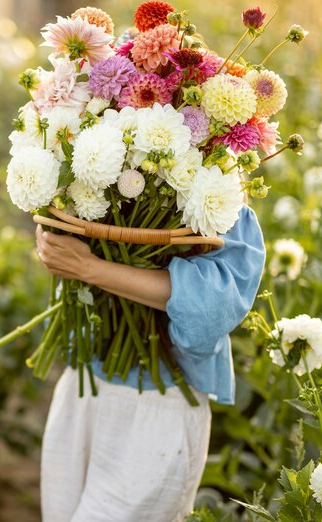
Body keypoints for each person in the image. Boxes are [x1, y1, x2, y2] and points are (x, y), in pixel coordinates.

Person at [35, 202, 265, 522]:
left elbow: (211, 307)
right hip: (82, 384)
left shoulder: (221, 195)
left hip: (159, 406)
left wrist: (91, 269)